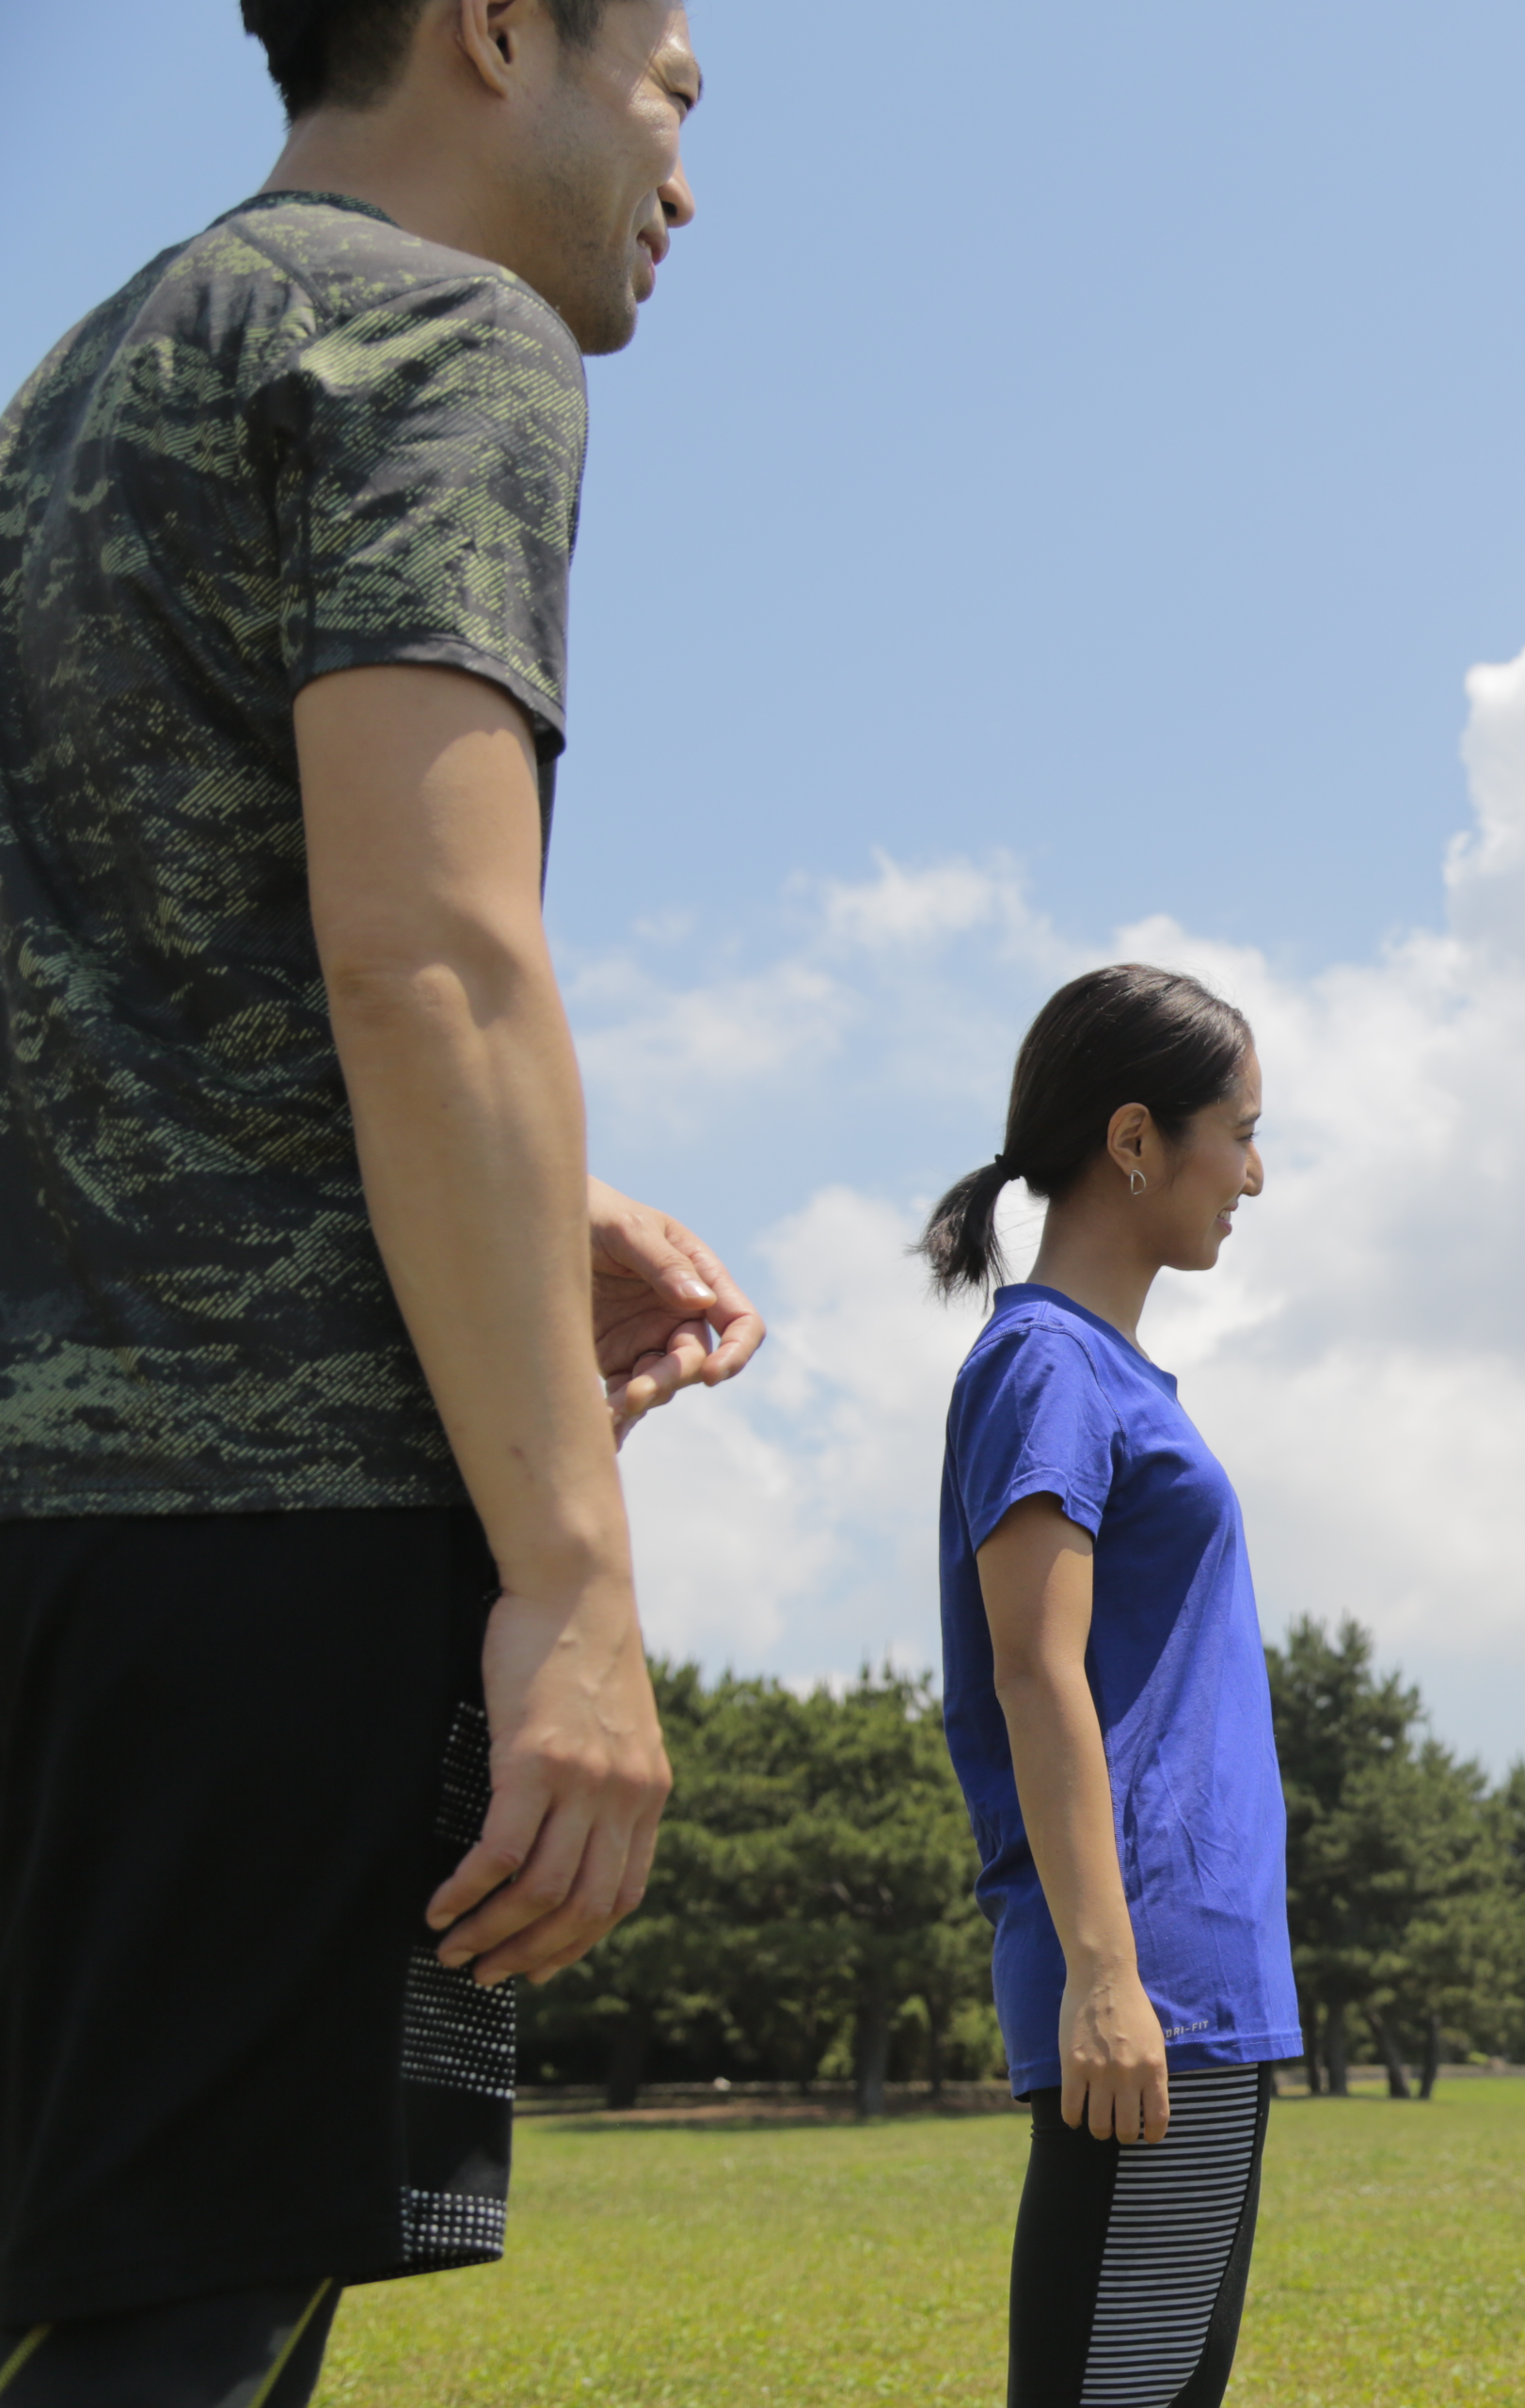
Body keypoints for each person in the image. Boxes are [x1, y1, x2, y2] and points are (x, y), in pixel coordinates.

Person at [0, 4, 755, 2401]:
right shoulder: (443, 331)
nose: (683, 171)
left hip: (47, 1531)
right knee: (184, 2332)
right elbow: (423, 946)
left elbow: (129, 953)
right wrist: (570, 1582)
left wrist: (546, 1200)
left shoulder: (70, 394)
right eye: (670, 89)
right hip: (267, 1531)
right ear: (497, 30)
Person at [925, 964, 1302, 2408]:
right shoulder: (1049, 1366)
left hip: (1195, 1981)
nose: (1255, 1177)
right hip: (1150, 1987)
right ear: (1136, 1141)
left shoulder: (1115, 1374)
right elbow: (1034, 1671)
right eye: (1240, 1132)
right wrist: (1104, 1975)